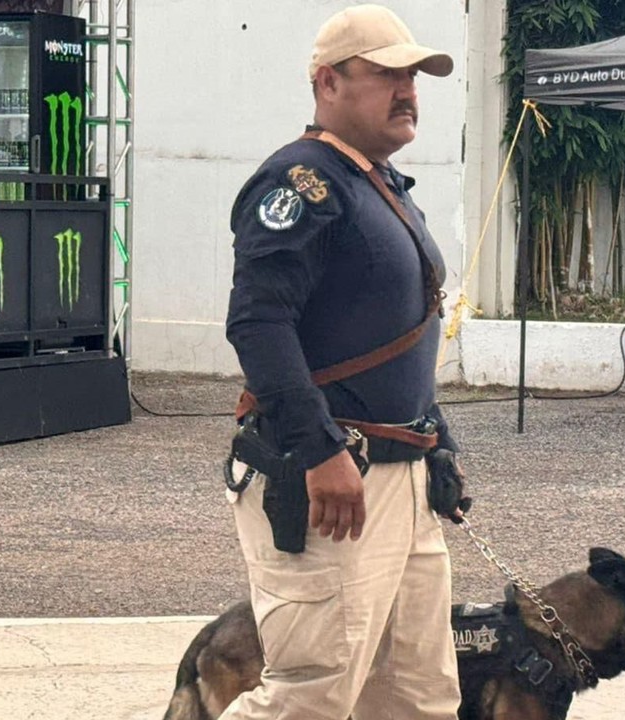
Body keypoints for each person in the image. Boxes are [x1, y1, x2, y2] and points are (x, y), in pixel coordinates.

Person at [220, 5, 466, 719]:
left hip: (399, 475)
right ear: (328, 82)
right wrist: (320, 448)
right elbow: (258, 322)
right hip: (336, 480)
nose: (408, 89)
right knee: (312, 698)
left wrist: (436, 446)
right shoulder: (302, 184)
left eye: (414, 75)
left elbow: (387, 335)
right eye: (387, 72)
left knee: (416, 698)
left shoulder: (376, 184)